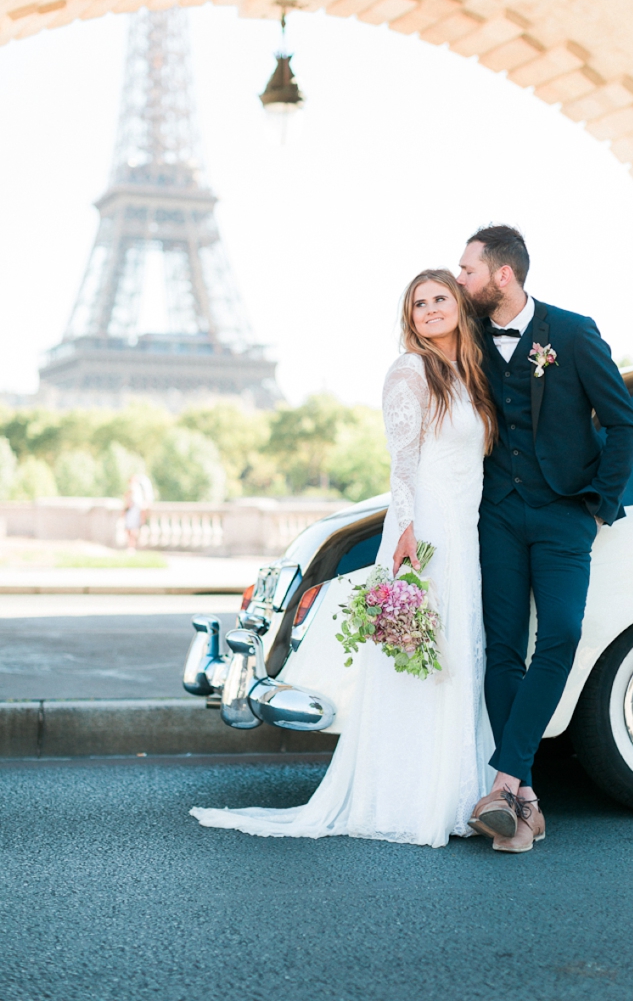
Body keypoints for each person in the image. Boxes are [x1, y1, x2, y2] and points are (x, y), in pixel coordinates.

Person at [191, 269, 497, 846]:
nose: (430, 309)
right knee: (418, 659)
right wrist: (404, 530)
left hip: (466, 533)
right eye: (418, 303)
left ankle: (455, 792)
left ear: (458, 304)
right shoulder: (411, 370)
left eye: (438, 298)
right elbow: (402, 460)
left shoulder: (468, 376)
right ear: (409, 318)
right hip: (427, 532)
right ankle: (407, 800)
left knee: (457, 655)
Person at [456, 225, 633, 853]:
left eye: (468, 271)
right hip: (497, 513)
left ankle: (504, 784)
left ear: (502, 275)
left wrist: (598, 504)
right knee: (502, 645)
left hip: (563, 512)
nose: (460, 282)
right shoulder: (467, 340)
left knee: (561, 631)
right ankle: (521, 799)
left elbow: (622, 422)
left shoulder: (572, 331)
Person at [123, 472, 154, 551]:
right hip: (131, 511)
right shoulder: (133, 491)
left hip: (134, 511)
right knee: (129, 530)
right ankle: (131, 546)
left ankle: (131, 547)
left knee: (132, 530)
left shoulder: (137, 490)